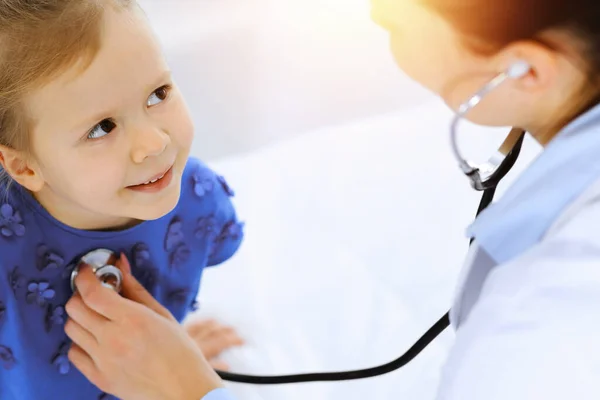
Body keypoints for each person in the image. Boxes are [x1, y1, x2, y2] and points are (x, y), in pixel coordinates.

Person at [63, 0, 600, 398]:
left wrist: (187, 391)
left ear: (524, 72)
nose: (374, 10)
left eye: (398, 17)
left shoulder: (542, 321)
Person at [0, 1, 246, 399]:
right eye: (101, 128)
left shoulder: (197, 199)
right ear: (25, 167)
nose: (155, 143)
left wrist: (176, 365)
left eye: (157, 94)